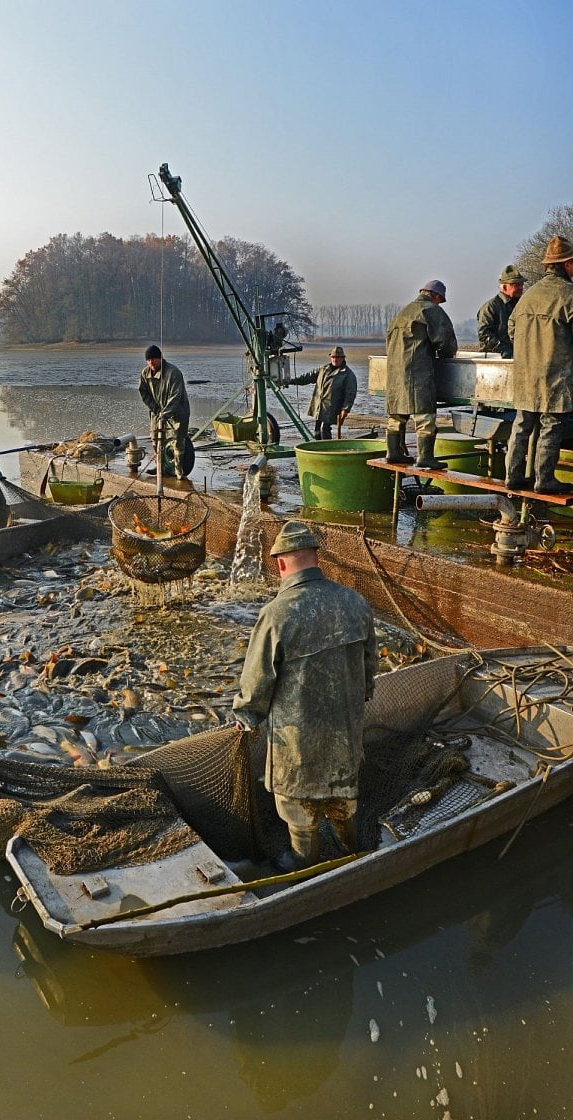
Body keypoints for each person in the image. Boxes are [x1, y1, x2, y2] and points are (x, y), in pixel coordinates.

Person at [232, 520, 377, 872]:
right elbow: (369, 668)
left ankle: (303, 862)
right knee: (345, 802)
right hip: (345, 736)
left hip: (296, 748)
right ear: (315, 557)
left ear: (280, 564)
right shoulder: (356, 603)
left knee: (299, 813)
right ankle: (351, 852)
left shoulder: (276, 615)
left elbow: (255, 685)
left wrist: (246, 718)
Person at [504, 236, 573, 494]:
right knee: (552, 425)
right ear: (566, 264)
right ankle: (545, 480)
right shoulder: (568, 294)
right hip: (556, 373)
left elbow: (512, 329)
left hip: (525, 374)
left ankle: (512, 477)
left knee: (522, 425)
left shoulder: (528, 296)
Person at [384, 279, 458, 469]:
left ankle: (393, 453)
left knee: (396, 416)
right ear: (436, 296)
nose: (439, 304)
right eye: (440, 301)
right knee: (424, 416)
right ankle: (425, 457)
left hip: (394, 372)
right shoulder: (431, 310)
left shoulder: (402, 313)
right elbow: (445, 341)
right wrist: (446, 356)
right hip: (418, 371)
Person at [138, 344, 191, 479]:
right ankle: (159, 466)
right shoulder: (145, 373)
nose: (151, 362)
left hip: (178, 412)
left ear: (160, 358)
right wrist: (155, 409)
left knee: (178, 440)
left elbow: (176, 397)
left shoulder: (174, 373)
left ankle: (179, 469)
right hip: (157, 412)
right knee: (155, 439)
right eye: (148, 360)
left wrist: (165, 414)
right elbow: (143, 393)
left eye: (153, 359)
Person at [289, 345, 358, 439]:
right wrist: (292, 381)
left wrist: (345, 409)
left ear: (343, 358)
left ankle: (327, 449)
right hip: (319, 406)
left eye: (338, 357)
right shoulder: (324, 369)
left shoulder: (348, 374)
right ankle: (317, 448)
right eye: (333, 357)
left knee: (324, 428)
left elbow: (350, 394)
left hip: (332, 407)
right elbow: (308, 377)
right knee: (317, 431)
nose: (335, 359)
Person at [477, 265, 525, 358]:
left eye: (522, 284)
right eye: (516, 285)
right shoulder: (490, 307)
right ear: (505, 287)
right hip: (494, 358)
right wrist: (503, 348)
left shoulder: (522, 305)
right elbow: (484, 334)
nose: (520, 288)